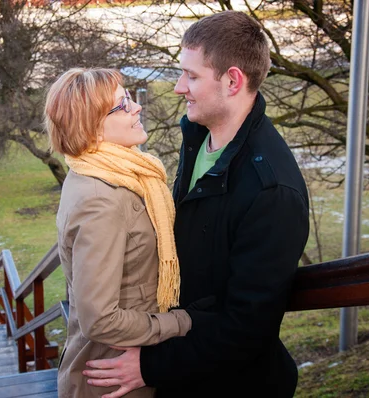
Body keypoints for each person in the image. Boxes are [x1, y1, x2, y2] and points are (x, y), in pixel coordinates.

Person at [83, 10, 310, 398]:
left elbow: (247, 328)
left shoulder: (272, 191)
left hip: (233, 387)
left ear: (233, 80)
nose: (177, 87)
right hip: (184, 366)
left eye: (191, 76)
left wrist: (150, 366)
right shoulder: (198, 135)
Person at [44, 67, 193, 398]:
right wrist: (182, 323)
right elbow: (99, 319)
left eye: (130, 98)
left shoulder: (113, 172)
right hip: (111, 378)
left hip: (125, 365)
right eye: (123, 104)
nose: (137, 107)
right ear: (93, 129)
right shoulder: (100, 199)